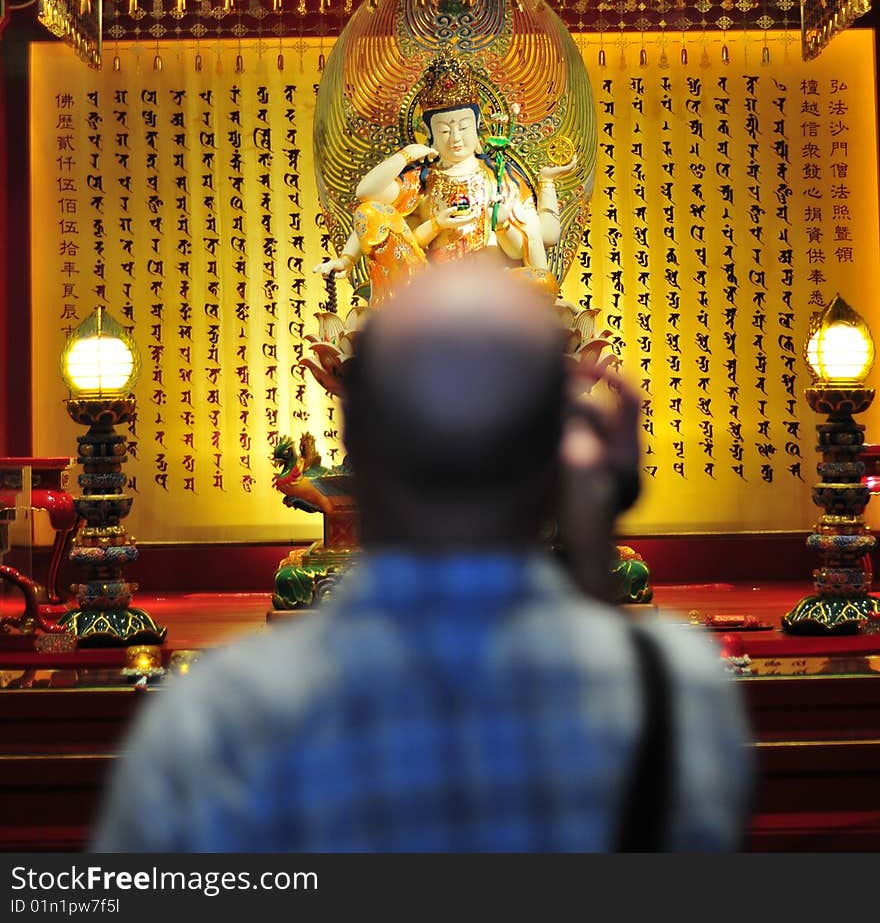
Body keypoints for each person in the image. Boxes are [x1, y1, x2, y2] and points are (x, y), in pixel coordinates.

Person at [91, 256, 753, 853]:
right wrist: (592, 538)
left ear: (356, 432)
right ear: (564, 442)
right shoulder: (678, 693)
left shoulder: (216, 721)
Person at [315, 54, 573, 303]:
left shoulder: (499, 177)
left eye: (463, 127)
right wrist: (407, 158)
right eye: (444, 130)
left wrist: (505, 222)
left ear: (478, 125)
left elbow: (537, 240)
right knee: (370, 211)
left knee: (541, 280)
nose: (456, 138)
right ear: (429, 132)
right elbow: (367, 198)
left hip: (490, 288)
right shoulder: (423, 181)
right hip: (432, 290)